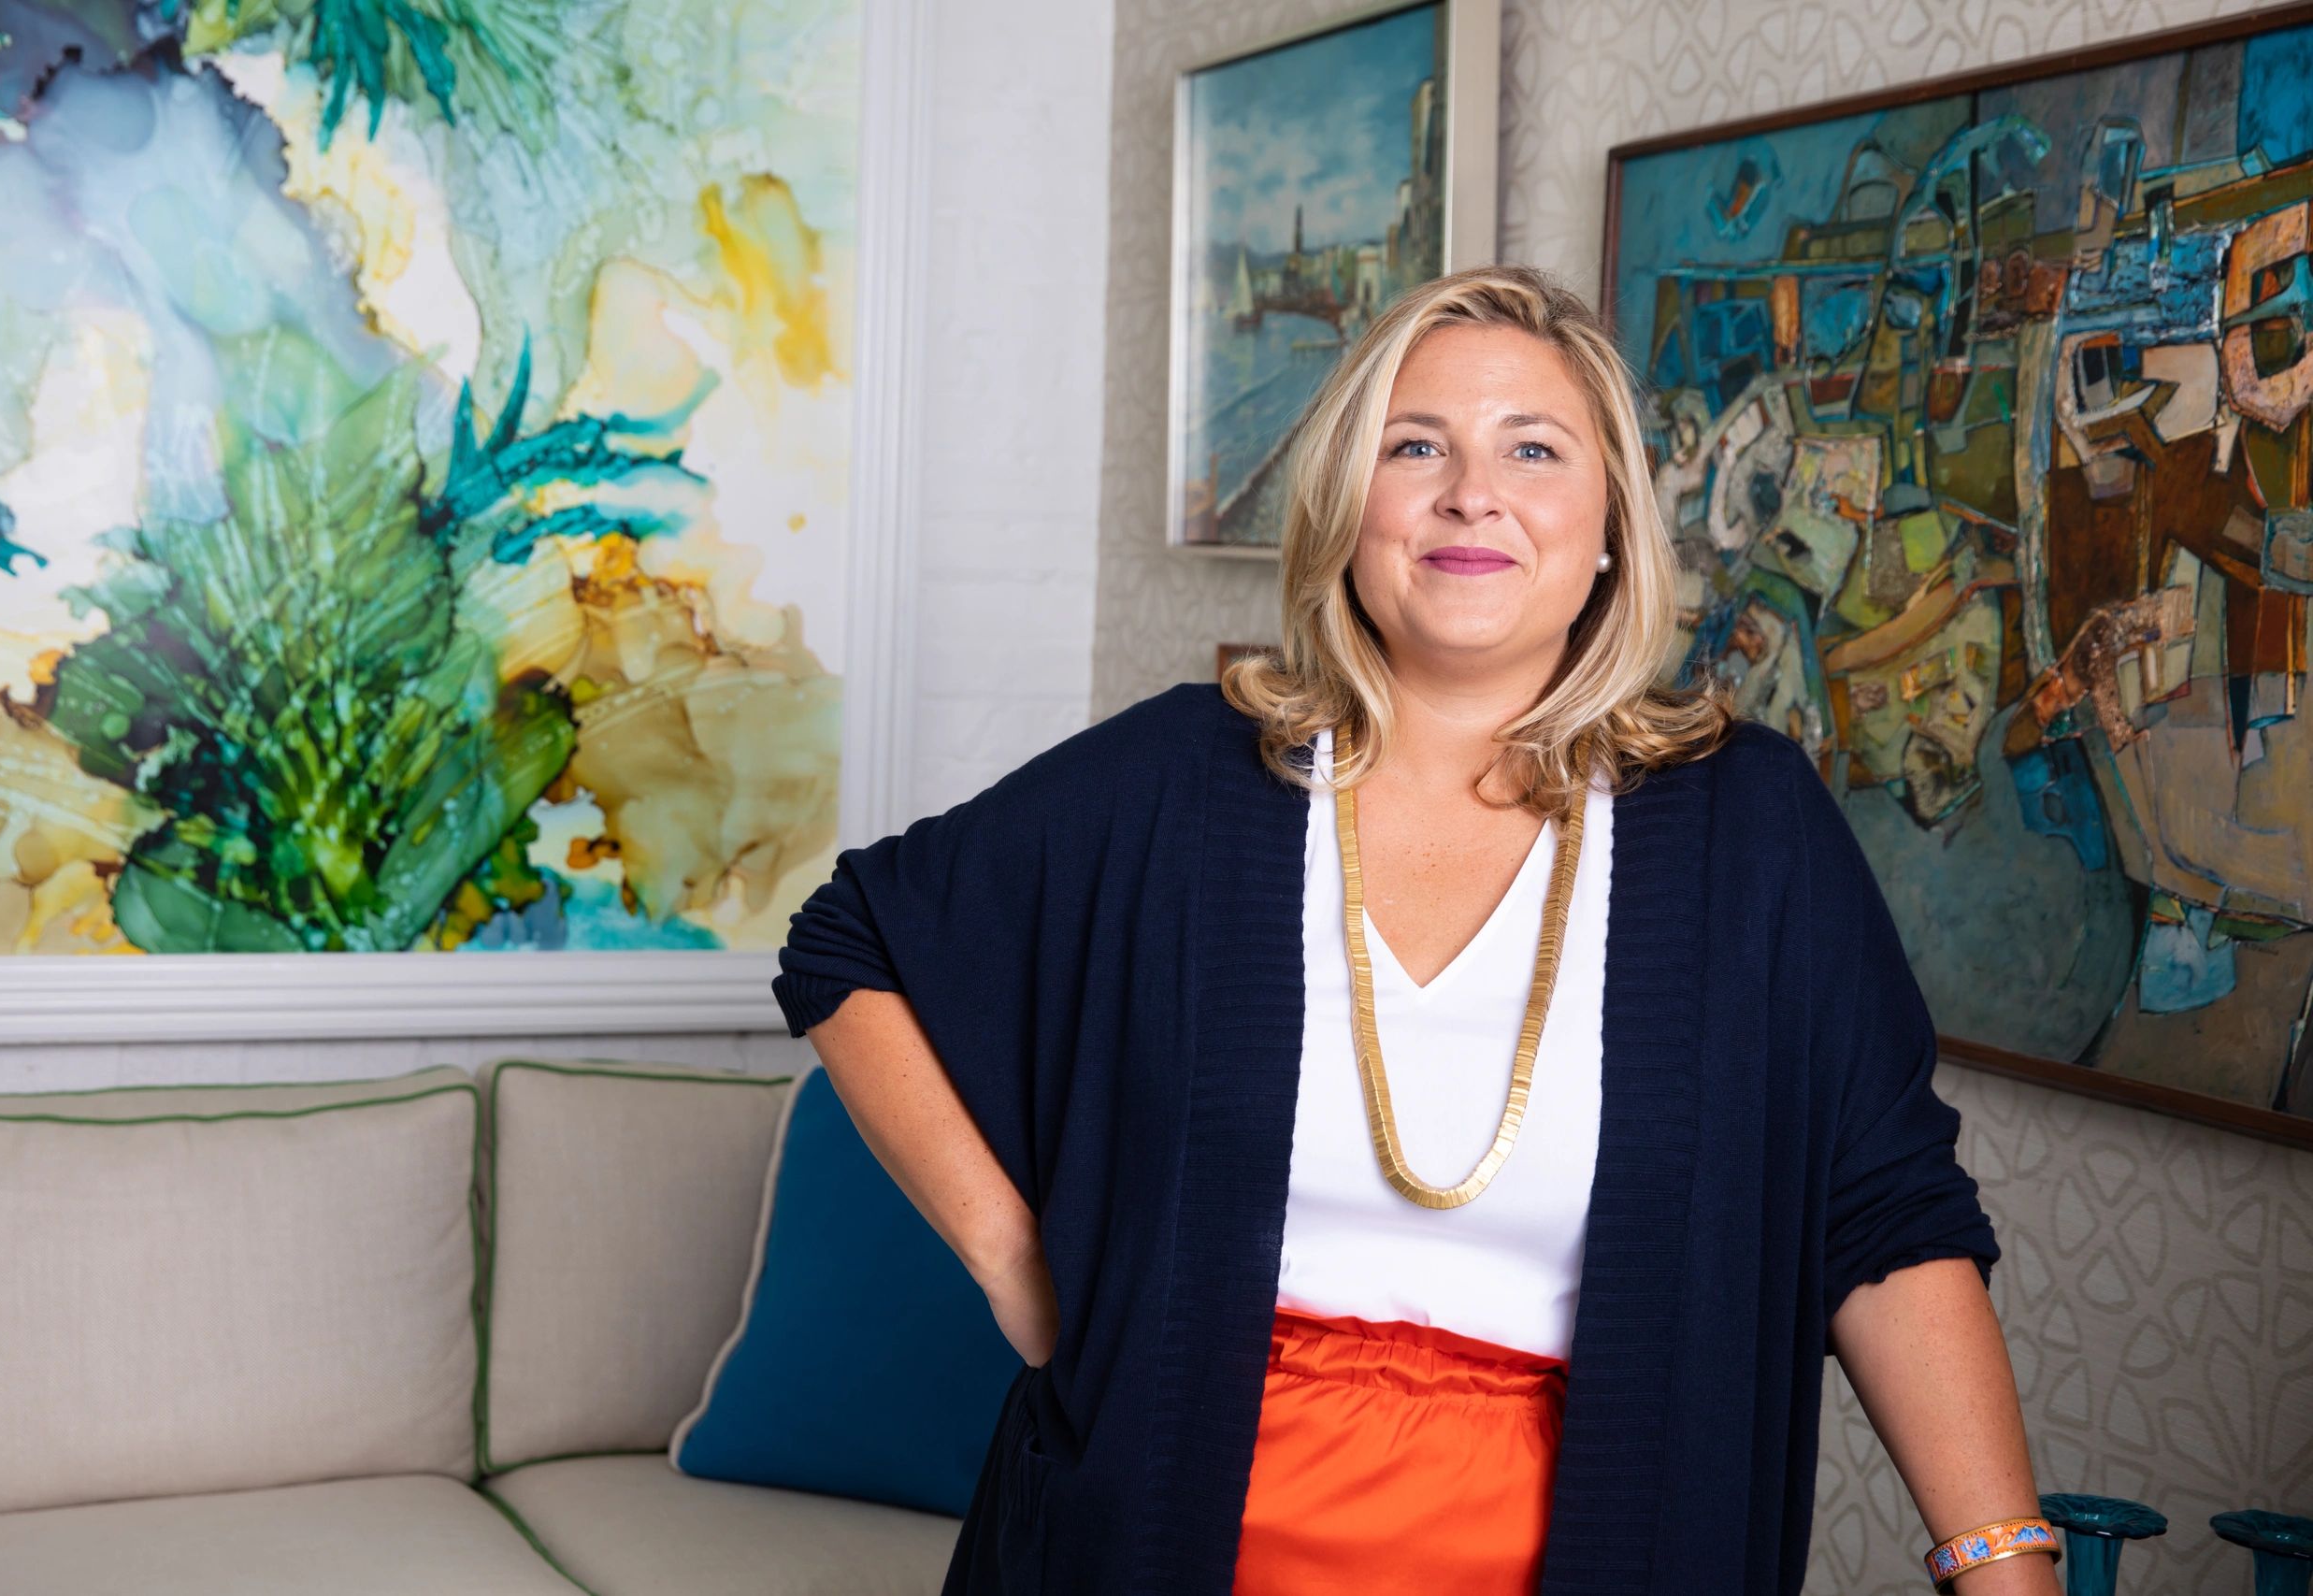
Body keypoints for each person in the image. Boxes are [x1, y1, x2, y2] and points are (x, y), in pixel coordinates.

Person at [772, 264, 2060, 1596]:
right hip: (1146, 1547)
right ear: (1349, 508)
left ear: (1612, 525)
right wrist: (1012, 1262)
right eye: (1415, 446)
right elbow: (849, 939)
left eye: (1534, 450)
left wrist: (2004, 1568)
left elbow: (1886, 1218)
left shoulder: (1750, 830)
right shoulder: (1180, 778)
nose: (1471, 494)